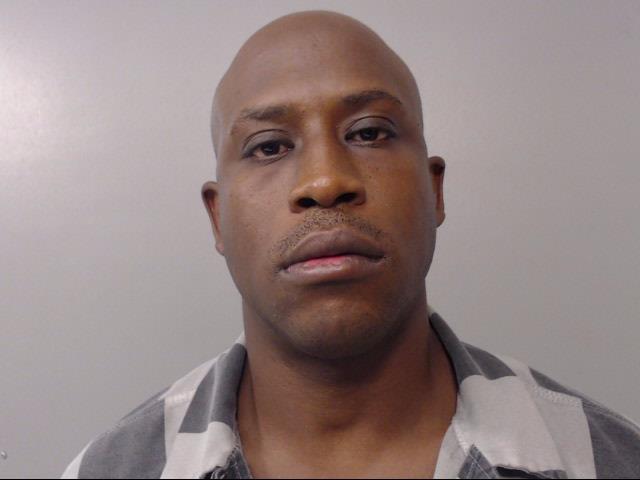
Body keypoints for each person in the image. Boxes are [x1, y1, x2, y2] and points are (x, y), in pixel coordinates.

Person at [62, 10, 640, 479]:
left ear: (435, 191)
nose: (324, 181)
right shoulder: (110, 471)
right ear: (218, 218)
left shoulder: (608, 460)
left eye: (368, 132)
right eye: (269, 146)